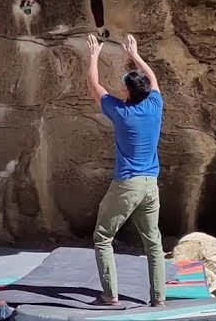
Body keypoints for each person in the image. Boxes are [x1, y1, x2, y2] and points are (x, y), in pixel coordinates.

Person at [84, 33, 165, 308]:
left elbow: (93, 85)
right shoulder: (156, 105)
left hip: (127, 184)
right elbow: (153, 80)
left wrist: (94, 55)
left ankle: (110, 295)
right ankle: (159, 299)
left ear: (128, 92)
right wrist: (136, 55)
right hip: (151, 185)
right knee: (153, 243)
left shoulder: (121, 112)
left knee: (103, 237)